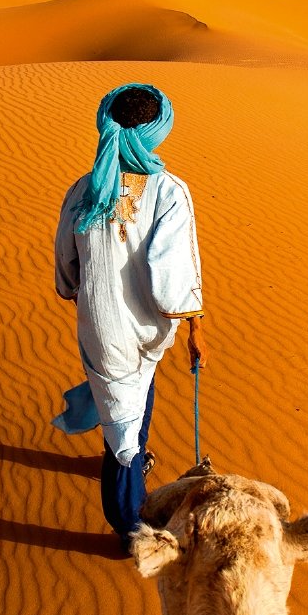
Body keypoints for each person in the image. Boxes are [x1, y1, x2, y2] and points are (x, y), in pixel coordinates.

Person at [53, 82, 207, 544]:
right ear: (158, 131)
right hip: (147, 328)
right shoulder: (169, 190)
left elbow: (65, 262)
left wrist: (80, 291)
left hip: (101, 328)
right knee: (122, 435)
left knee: (125, 398)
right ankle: (130, 527)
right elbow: (172, 276)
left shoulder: (83, 189)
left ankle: (133, 456)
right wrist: (195, 326)